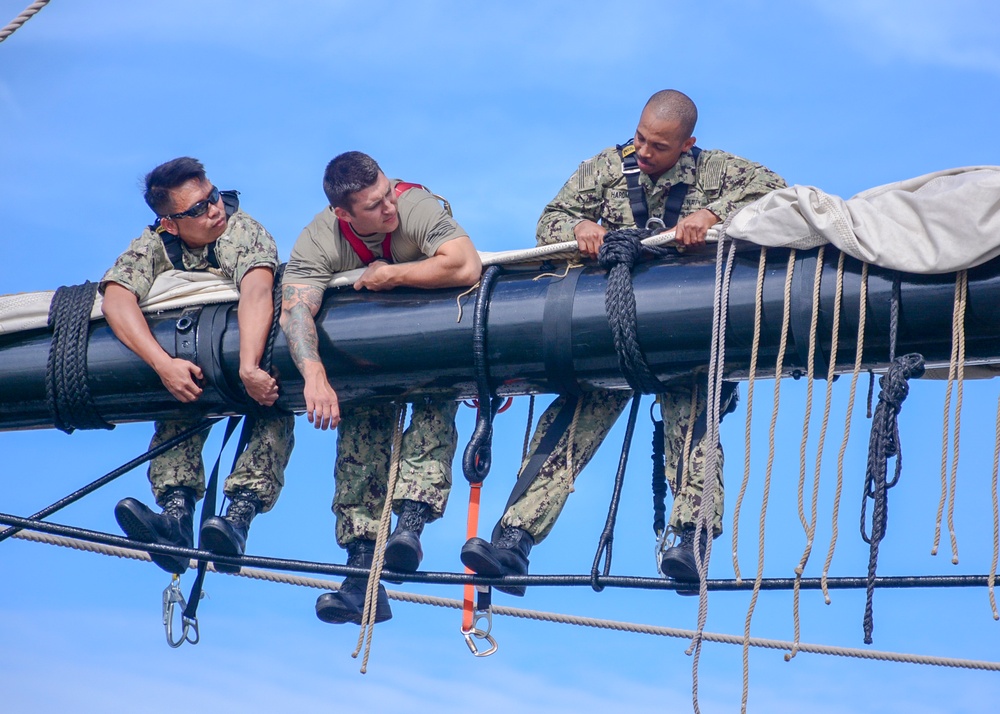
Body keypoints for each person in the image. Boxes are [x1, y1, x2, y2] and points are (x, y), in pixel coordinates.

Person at [461, 89, 786, 594]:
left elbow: (779, 194)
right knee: (566, 426)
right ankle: (513, 540)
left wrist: (714, 216)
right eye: (639, 138)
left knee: (694, 429)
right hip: (607, 327)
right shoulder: (602, 171)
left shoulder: (718, 171)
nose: (643, 152)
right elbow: (550, 220)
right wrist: (580, 227)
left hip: (688, 331)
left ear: (686, 145)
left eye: (658, 145)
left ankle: (689, 543)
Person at [280, 151, 482, 625]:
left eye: (389, 193)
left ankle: (409, 527)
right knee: (359, 433)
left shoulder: (414, 207)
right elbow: (296, 310)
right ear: (344, 214)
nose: (389, 208)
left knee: (436, 406)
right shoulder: (321, 237)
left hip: (437, 339)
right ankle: (360, 576)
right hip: (368, 359)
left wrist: (393, 274)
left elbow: (465, 266)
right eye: (375, 205)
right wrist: (315, 376)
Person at [101, 157, 295, 576]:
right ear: (169, 224)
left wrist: (247, 366)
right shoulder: (156, 244)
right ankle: (175, 519)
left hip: (254, 346)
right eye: (198, 209)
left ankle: (237, 521)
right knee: (178, 405)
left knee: (271, 401)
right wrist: (163, 364)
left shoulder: (239, 229)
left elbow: (258, 289)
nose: (215, 210)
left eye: (213, 197)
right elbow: (116, 297)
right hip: (190, 355)